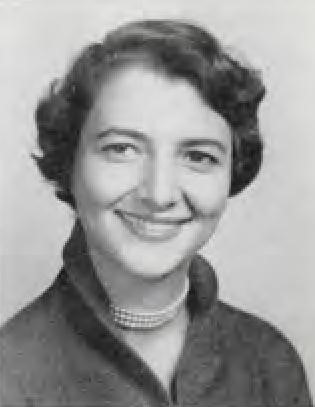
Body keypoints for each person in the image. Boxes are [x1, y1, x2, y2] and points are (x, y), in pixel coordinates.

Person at [0, 19, 312, 407]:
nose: (159, 194)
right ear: (70, 163)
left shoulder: (270, 365)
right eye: (122, 149)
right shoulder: (9, 375)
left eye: (199, 156)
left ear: (233, 173)